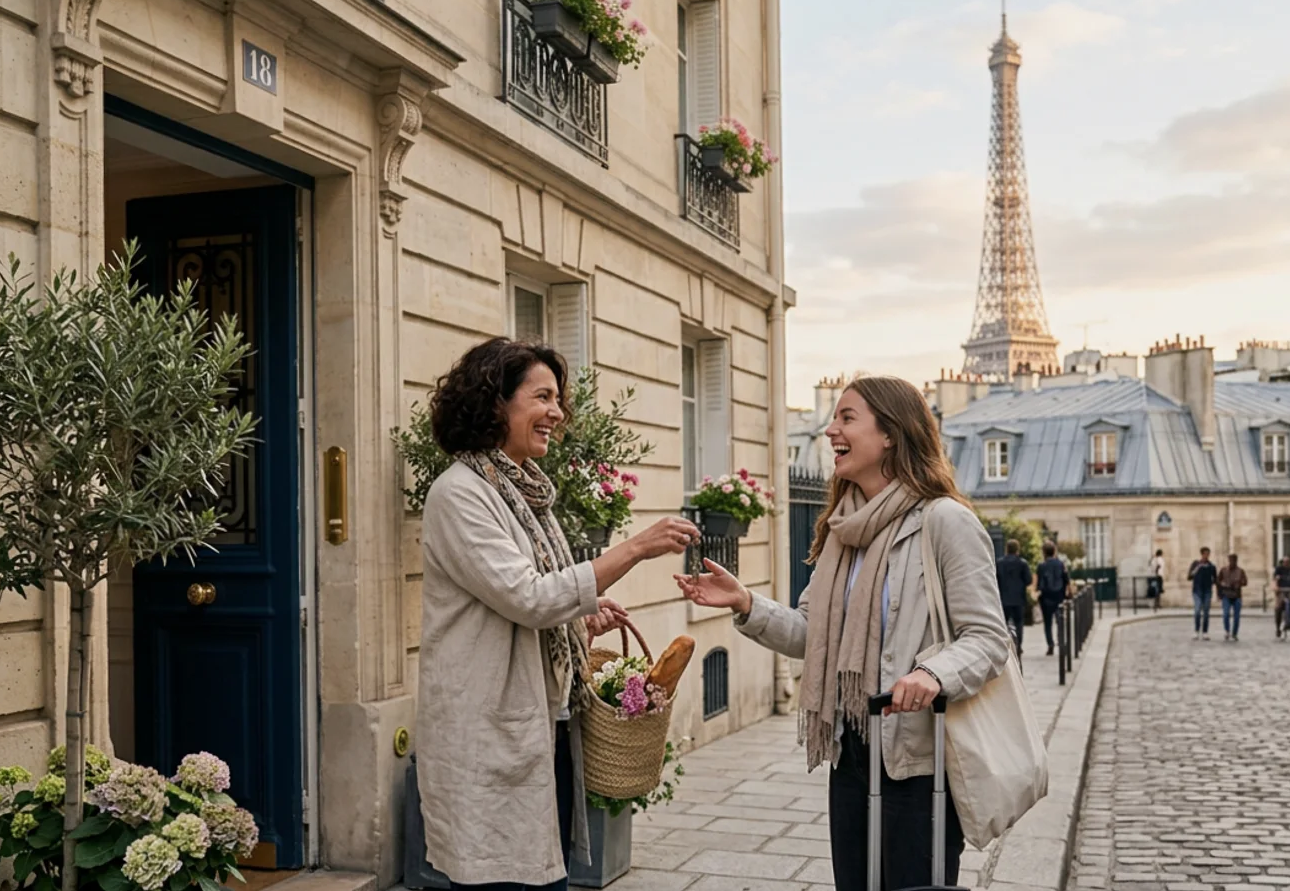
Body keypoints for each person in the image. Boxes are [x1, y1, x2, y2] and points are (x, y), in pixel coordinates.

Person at [674, 376, 1011, 891]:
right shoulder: (843, 529)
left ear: (892, 434)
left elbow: (988, 638)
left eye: (847, 418)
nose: (830, 430)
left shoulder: (944, 523)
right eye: (834, 418)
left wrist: (932, 674)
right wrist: (746, 603)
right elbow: (814, 635)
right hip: (850, 749)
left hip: (918, 761)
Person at [416, 337, 701, 890]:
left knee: (543, 877)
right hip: (487, 730)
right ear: (495, 403)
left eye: (558, 399)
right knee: (502, 879)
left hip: (543, 728)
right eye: (542, 397)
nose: (557, 412)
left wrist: (579, 618)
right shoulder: (460, 495)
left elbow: (531, 599)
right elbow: (527, 596)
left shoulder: (522, 493)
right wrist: (634, 548)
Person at [996, 539, 1032, 658]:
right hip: (1018, 599)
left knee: (1003, 624)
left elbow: (995, 580)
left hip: (1003, 599)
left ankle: (1005, 646)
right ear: (1017, 549)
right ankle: (1018, 645)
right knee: (1019, 623)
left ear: (1007, 549)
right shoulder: (1022, 563)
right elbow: (1029, 580)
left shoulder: (999, 563)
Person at [1036, 542, 1068, 657]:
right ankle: (1061, 641)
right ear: (1054, 551)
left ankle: (1050, 645)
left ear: (1044, 552)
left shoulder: (1041, 566)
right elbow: (1066, 580)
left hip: (1046, 597)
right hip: (1059, 596)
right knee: (1060, 621)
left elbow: (1039, 583)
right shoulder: (1061, 564)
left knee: (1048, 623)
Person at [1216, 554, 1248, 642]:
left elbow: (1245, 582)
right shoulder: (1223, 570)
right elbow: (1218, 581)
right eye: (1230, 560)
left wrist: (1239, 583)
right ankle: (1227, 630)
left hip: (1236, 595)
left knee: (1236, 616)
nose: (1232, 562)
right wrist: (1220, 593)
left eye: (1234, 560)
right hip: (1226, 594)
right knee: (1226, 614)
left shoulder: (1240, 571)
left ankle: (1234, 633)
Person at [1188, 547, 1217, 641]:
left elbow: (1215, 579)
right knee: (1197, 611)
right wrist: (1198, 567)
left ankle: (1205, 631)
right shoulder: (1196, 564)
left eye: (1208, 554)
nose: (1206, 556)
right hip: (1197, 591)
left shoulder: (1211, 566)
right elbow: (1189, 576)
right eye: (1205, 554)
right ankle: (1196, 631)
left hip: (1207, 591)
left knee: (1206, 612)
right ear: (1202, 554)